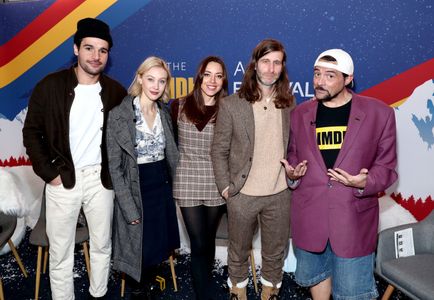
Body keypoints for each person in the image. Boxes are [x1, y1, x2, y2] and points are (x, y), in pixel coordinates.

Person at [22, 18, 126, 299]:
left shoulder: (116, 92)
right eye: (89, 48)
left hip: (100, 181)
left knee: (103, 245)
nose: (96, 56)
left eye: (103, 51)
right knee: (61, 253)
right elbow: (32, 133)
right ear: (76, 49)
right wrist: (50, 174)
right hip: (63, 180)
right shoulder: (50, 86)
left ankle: (99, 293)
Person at [281, 49, 398, 300]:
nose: (319, 81)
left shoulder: (380, 114)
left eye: (329, 75)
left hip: (353, 223)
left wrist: (366, 182)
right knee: (317, 279)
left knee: (352, 293)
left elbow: (387, 168)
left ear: (348, 79)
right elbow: (293, 155)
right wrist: (292, 174)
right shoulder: (300, 114)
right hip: (310, 219)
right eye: (317, 74)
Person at [211, 39, 295, 300]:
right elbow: (218, 150)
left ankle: (270, 292)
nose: (271, 68)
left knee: (274, 252)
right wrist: (226, 188)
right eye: (266, 62)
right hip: (242, 193)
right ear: (255, 65)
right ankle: (238, 291)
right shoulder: (232, 104)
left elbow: (293, 146)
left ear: (282, 67)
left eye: (277, 62)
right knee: (237, 251)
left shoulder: (289, 104)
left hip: (279, 193)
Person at [106, 56, 180, 300]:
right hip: (136, 187)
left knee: (156, 245)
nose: (155, 86)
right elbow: (115, 168)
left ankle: (148, 285)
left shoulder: (164, 113)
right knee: (138, 248)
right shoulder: (120, 115)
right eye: (150, 79)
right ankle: (139, 291)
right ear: (139, 78)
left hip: (160, 184)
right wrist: (128, 208)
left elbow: (171, 156)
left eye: (161, 81)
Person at [171, 56, 228, 300]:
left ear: (223, 80)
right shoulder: (178, 105)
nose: (212, 81)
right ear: (199, 76)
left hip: (216, 181)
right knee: (198, 241)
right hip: (186, 179)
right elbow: (170, 143)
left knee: (208, 239)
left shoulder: (228, 109)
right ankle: (205, 293)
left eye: (218, 75)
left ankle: (205, 283)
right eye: (208, 74)